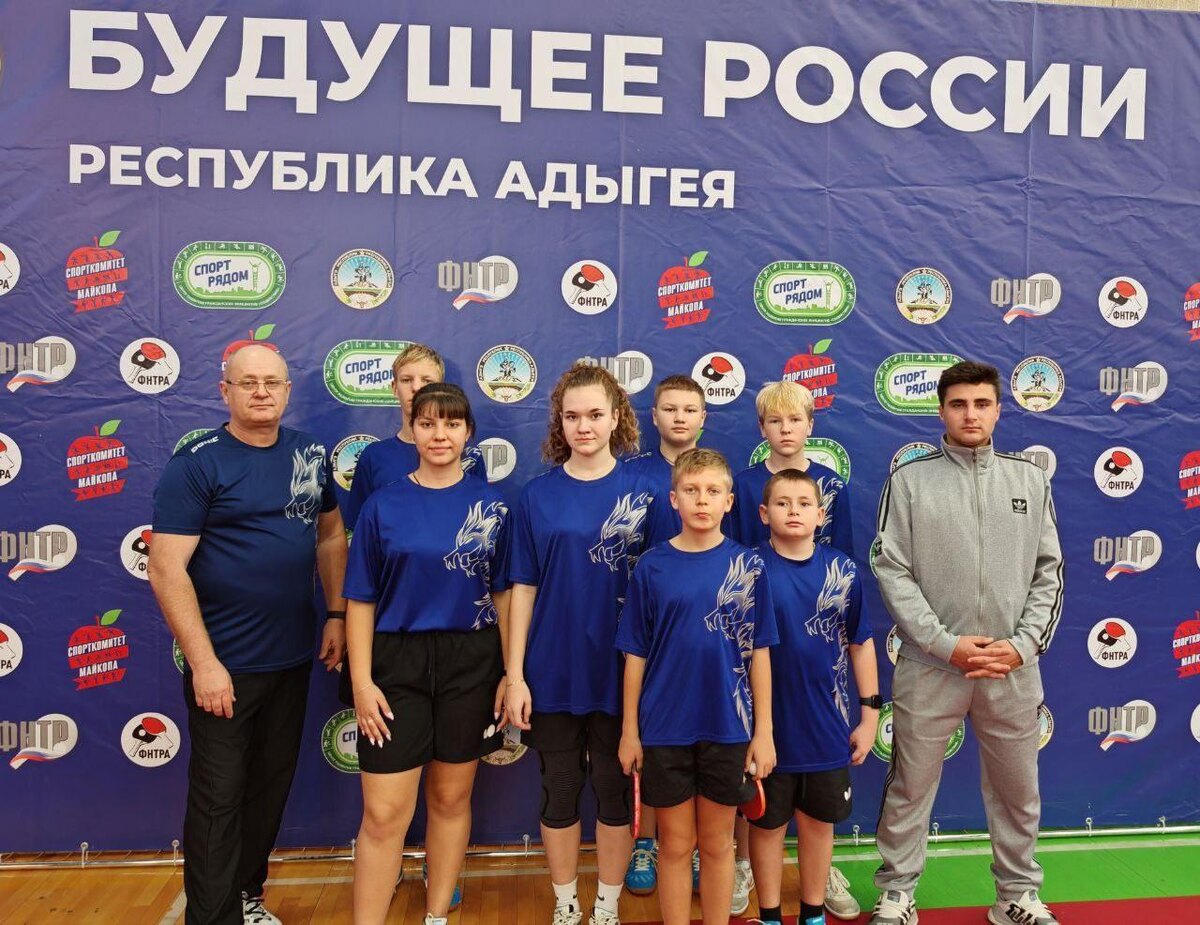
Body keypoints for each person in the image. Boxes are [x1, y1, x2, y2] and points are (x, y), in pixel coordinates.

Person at [149, 344, 348, 925]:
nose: (261, 392)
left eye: (272, 382)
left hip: (291, 659)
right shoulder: (197, 464)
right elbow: (165, 568)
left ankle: (246, 897)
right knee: (219, 799)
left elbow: (331, 534)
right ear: (225, 392)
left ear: (287, 390)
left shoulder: (310, 454)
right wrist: (204, 663)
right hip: (225, 666)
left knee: (268, 788)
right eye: (248, 382)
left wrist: (336, 614)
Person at [869, 361, 1063, 925]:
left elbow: (1049, 571)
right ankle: (898, 893)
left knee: (1017, 790)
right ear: (941, 411)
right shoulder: (910, 481)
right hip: (931, 666)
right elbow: (891, 568)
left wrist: (1022, 646)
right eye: (959, 404)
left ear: (998, 410)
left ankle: (1016, 895)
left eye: (981, 404)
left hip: (1010, 668)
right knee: (910, 786)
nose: (970, 414)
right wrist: (943, 643)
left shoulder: (1030, 480)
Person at [344, 383, 510, 925]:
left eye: (452, 424)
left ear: (468, 433)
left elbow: (505, 597)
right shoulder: (382, 505)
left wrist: (510, 673)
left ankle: (437, 914)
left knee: (450, 800)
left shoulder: (492, 506)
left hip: (471, 659)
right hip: (395, 663)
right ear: (412, 429)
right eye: (428, 423)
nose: (440, 434)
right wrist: (362, 682)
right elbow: (361, 600)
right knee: (383, 813)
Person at [505, 363, 656, 925]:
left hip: (622, 672)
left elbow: (663, 586)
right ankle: (566, 902)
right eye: (572, 416)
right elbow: (522, 588)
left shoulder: (645, 493)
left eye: (595, 414)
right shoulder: (537, 496)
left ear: (617, 418)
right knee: (560, 787)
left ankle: (607, 905)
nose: (584, 426)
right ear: (559, 422)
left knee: (614, 790)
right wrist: (515, 674)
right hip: (553, 669)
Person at [615, 448, 777, 925]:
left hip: (728, 727)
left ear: (729, 501)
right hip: (665, 728)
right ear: (674, 499)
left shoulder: (749, 566)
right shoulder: (651, 566)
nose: (702, 500)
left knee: (717, 844)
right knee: (675, 845)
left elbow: (760, 653)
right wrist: (630, 731)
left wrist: (763, 732)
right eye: (691, 490)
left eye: (712, 491)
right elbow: (635, 655)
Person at [725, 380, 857, 919]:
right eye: (775, 421)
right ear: (762, 428)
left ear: (810, 425)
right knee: (759, 772)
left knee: (817, 790)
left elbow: (844, 568)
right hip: (758, 640)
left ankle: (821, 877)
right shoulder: (743, 484)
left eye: (795, 419)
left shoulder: (833, 485)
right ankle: (744, 863)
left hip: (817, 651)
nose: (785, 429)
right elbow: (732, 560)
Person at [748, 470, 879, 925]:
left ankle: (812, 914)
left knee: (819, 825)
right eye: (782, 503)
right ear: (764, 513)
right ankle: (769, 915)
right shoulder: (748, 568)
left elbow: (861, 643)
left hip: (825, 725)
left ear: (821, 515)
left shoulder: (843, 571)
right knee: (766, 826)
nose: (794, 511)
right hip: (765, 729)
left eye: (804, 504)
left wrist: (870, 715)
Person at [620, 374, 707, 897]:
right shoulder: (632, 475)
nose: (679, 417)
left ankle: (693, 844)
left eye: (689, 409)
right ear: (653, 417)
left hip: (702, 630)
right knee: (655, 738)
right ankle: (646, 841)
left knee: (703, 739)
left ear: (703, 418)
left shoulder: (715, 474)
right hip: (647, 625)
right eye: (669, 409)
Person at [343, 342, 486, 531]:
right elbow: (362, 530)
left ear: (441, 389)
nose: (416, 387)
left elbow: (481, 519)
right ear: (394, 388)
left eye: (427, 381)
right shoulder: (374, 456)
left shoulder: (470, 457)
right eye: (406, 380)